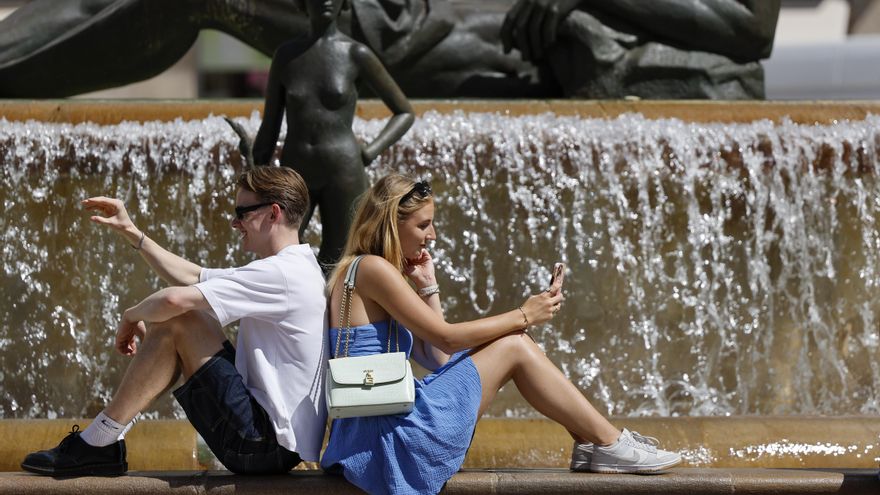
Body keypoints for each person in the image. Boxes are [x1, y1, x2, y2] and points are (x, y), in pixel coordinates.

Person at [319, 175, 681, 495]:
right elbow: (447, 339)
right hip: (391, 438)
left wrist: (429, 286)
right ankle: (609, 442)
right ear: (391, 225)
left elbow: (438, 359)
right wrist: (524, 315)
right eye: (423, 225)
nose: (432, 236)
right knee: (515, 344)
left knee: (509, 342)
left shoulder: (364, 270)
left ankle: (595, 443)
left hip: (376, 430)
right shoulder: (373, 268)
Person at [21, 166, 328, 476]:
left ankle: (98, 441)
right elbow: (193, 276)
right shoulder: (294, 268)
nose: (235, 223)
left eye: (242, 212)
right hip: (273, 443)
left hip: (261, 444)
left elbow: (173, 300)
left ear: (273, 214)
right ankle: (105, 438)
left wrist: (131, 315)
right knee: (192, 316)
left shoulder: (282, 275)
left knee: (179, 320)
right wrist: (133, 233)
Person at [251, 0, 415, 269]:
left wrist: (370, 151)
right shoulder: (287, 56)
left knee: (342, 259)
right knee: (280, 256)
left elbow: (404, 111)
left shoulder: (356, 54)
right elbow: (270, 124)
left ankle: (338, 311)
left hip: (344, 170)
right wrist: (255, 171)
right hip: (296, 170)